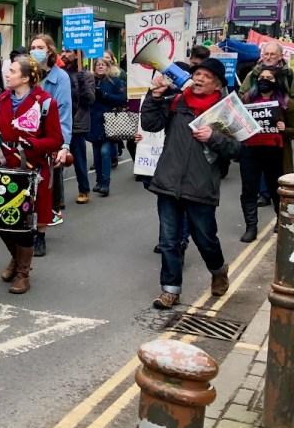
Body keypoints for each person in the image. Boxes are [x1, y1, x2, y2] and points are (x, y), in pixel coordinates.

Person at [140, 57, 241, 310]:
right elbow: (150, 124)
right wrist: (154, 96)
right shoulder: (177, 101)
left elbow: (239, 150)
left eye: (206, 76)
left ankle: (218, 270)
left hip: (200, 186)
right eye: (197, 74)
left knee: (205, 239)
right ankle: (170, 290)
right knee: (168, 240)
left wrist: (214, 137)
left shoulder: (226, 110)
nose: (199, 79)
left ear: (217, 84)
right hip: (168, 182)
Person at [0, 55, 64, 294]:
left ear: (25, 77)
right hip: (3, 165)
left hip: (31, 169)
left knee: (23, 222)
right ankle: (16, 258)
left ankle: (23, 273)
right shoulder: (1, 100)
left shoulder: (46, 103)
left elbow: (56, 139)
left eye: (13, 71)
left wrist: (32, 144)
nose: (7, 74)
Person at [28, 34, 72, 256]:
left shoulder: (61, 78)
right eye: (33, 47)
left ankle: (40, 235)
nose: (35, 50)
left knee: (43, 191)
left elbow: (64, 113)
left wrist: (63, 146)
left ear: (49, 51)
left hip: (47, 140)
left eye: (40, 47)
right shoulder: (27, 74)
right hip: (26, 141)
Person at [238, 66, 294, 241]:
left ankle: (280, 220)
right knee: (249, 190)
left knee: (275, 188)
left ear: (276, 81)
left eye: (269, 78)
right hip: (250, 151)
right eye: (261, 77)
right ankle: (251, 227)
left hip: (275, 152)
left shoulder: (287, 102)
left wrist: (286, 129)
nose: (264, 80)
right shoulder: (247, 100)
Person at [60, 48, 95, 204]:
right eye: (62, 51)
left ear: (77, 54)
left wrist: (82, 82)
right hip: (60, 123)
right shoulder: (60, 73)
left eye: (68, 51)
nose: (64, 55)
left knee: (79, 160)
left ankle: (84, 189)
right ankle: (57, 196)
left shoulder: (86, 75)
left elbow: (90, 100)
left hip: (77, 124)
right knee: (56, 162)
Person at [88, 57, 127, 197]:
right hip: (94, 121)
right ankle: (98, 181)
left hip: (109, 121)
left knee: (105, 152)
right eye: (97, 65)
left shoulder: (114, 81)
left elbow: (122, 99)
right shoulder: (91, 80)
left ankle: (105, 183)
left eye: (103, 65)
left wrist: (104, 94)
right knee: (97, 154)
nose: (100, 67)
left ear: (108, 67)